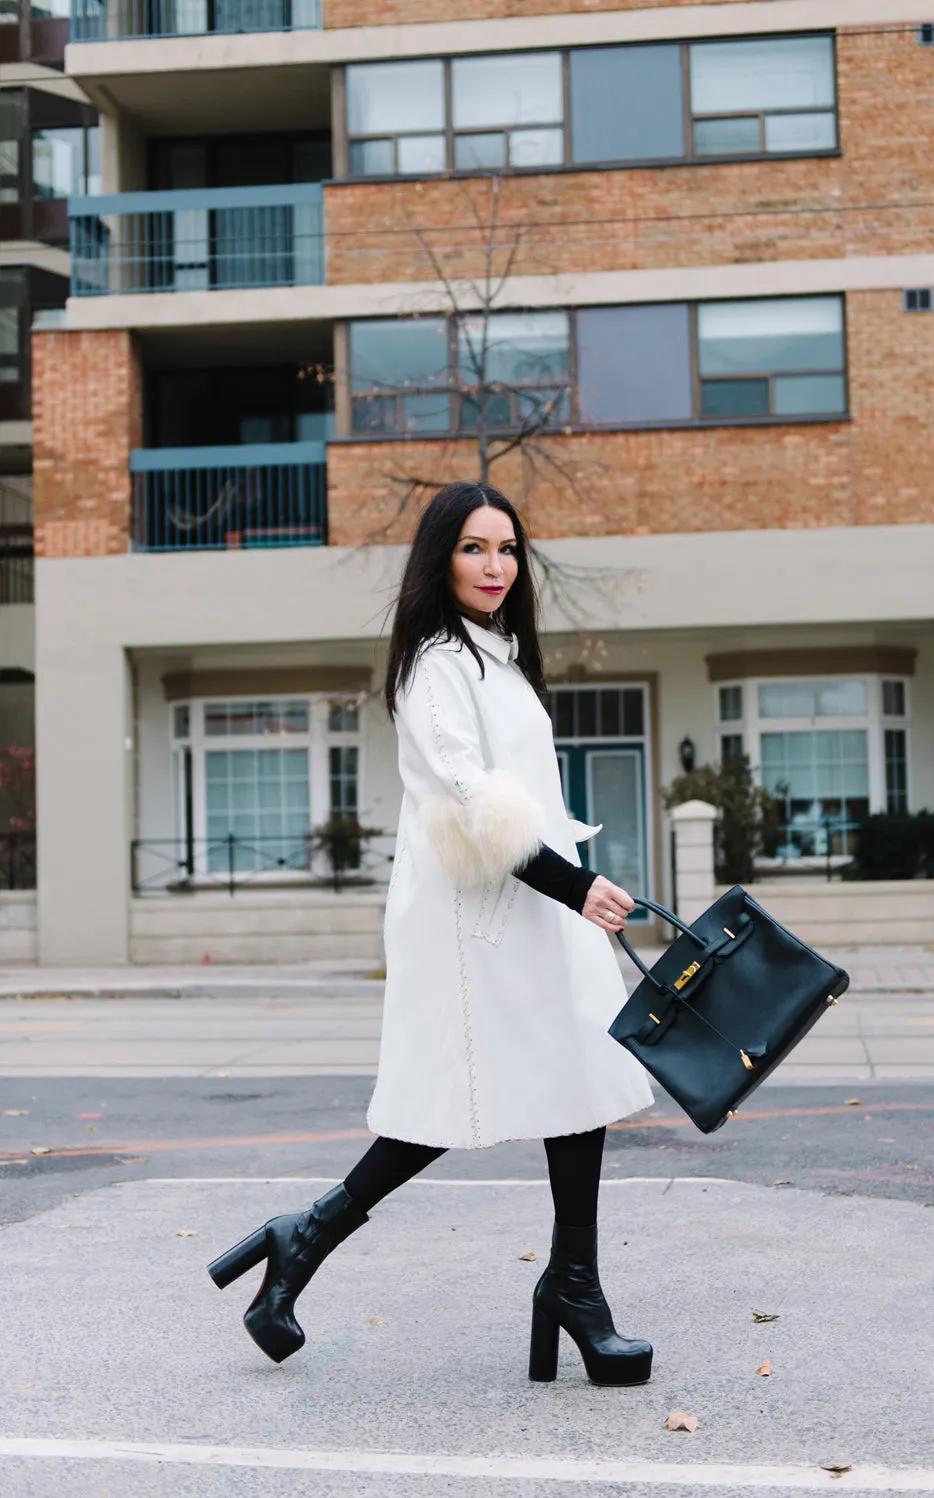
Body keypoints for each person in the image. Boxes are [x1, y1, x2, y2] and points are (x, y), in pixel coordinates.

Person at [208, 480, 655, 1386]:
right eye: (474, 549)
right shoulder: (433, 663)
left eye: (508, 548)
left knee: (582, 1081)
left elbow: (523, 796)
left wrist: (568, 892)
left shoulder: (504, 653)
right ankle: (309, 1234)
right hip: (475, 914)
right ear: (440, 559)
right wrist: (578, 887)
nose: (496, 566)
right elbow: (468, 799)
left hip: (534, 900)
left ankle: (575, 1287)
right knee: (451, 1094)